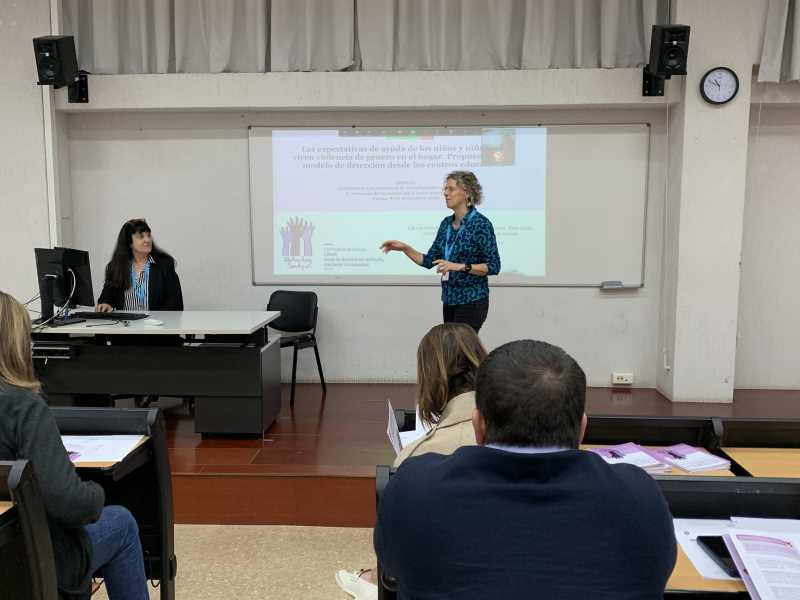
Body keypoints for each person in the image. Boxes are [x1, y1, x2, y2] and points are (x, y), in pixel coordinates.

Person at [375, 340, 677, 599]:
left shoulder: (413, 490)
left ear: (478, 426)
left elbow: (391, 568)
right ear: (582, 428)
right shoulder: (640, 499)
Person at [0, 291, 149, 600]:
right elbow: (67, 503)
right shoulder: (23, 407)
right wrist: (95, 495)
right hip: (29, 563)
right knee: (121, 521)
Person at [336, 323, 487, 600]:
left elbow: (394, 558)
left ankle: (369, 579)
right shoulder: (523, 441)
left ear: (429, 377)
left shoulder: (414, 459)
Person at [380, 171, 500, 333]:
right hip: (449, 300)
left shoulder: (481, 224)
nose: (445, 193)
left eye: (451, 189)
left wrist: (459, 266)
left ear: (467, 193)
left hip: (472, 300)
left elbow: (493, 266)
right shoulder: (446, 224)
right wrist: (406, 249)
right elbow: (429, 261)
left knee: (460, 346)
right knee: (451, 347)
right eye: (445, 189)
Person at [96, 218, 183, 312]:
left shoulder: (165, 265)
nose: (147, 240)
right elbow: (106, 296)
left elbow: (176, 303)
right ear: (129, 243)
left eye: (148, 235)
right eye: (141, 237)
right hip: (125, 320)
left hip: (156, 321)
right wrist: (105, 303)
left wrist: (156, 319)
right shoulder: (116, 267)